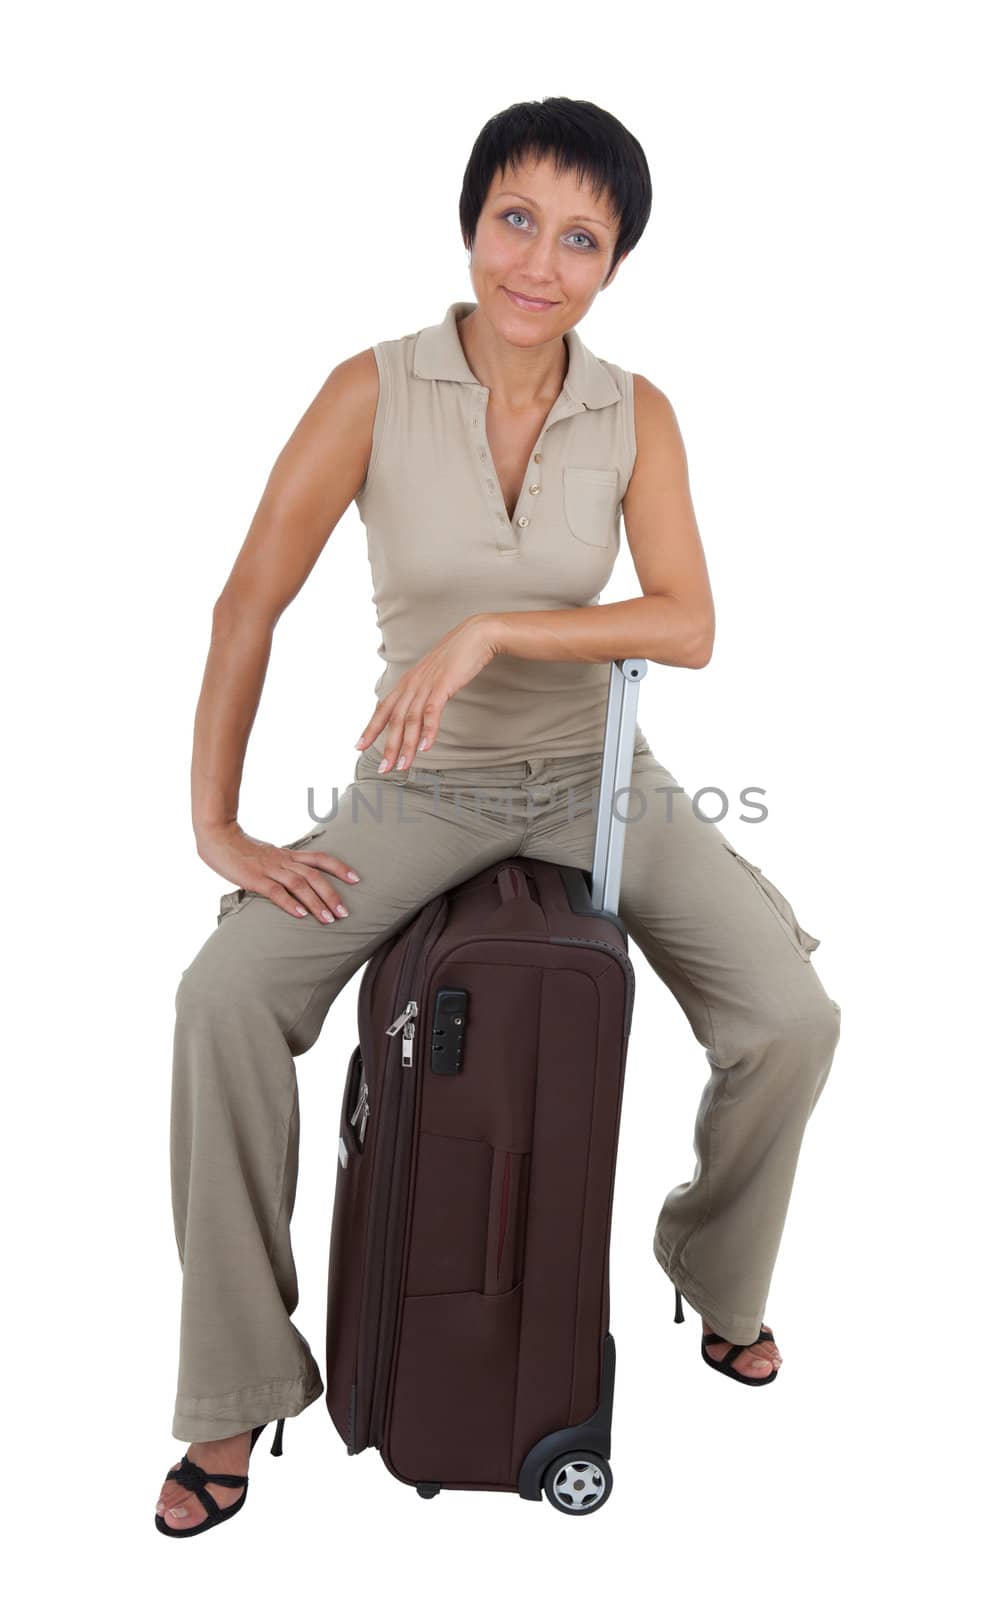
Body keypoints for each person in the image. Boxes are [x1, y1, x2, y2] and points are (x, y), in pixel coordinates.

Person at [156, 96, 841, 1537]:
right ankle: (234, 1383)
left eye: (580, 238)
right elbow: (245, 605)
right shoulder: (372, 388)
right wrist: (221, 829)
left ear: (614, 265)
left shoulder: (635, 412)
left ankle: (713, 1274)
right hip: (425, 782)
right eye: (516, 219)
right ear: (473, 222)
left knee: (791, 1018)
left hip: (598, 776)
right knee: (224, 996)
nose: (540, 261)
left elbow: (691, 622)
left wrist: (496, 635)